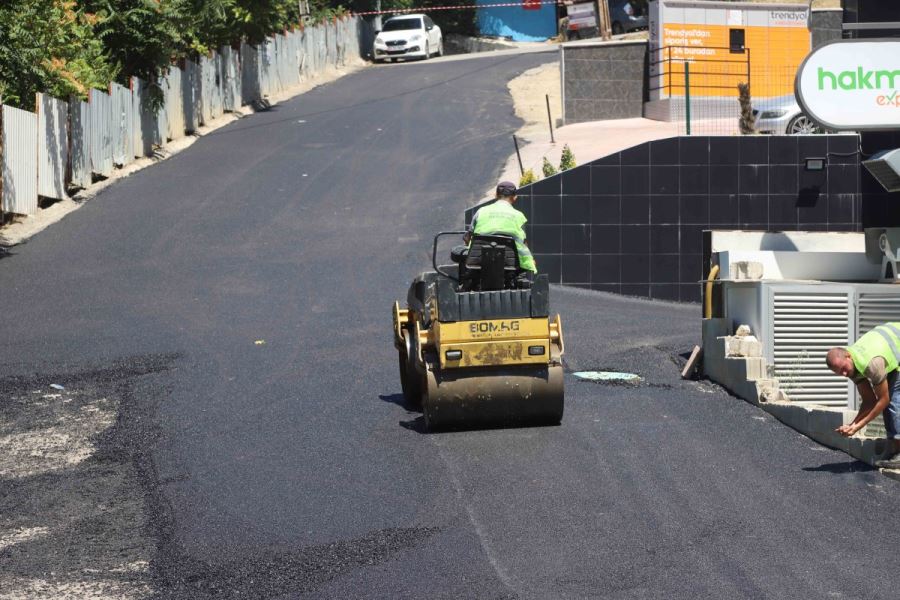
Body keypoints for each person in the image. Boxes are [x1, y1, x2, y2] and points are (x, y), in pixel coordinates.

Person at [826, 322, 900, 467]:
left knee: (893, 401)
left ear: (848, 356)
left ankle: (898, 450)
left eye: (843, 369)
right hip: (889, 349)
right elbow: (869, 401)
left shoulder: (872, 364)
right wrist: (851, 425)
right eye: (839, 373)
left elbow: (883, 400)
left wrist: (858, 427)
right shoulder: (851, 366)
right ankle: (893, 448)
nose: (844, 374)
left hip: (895, 345)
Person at [465, 181, 537, 275]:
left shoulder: (481, 211)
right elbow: (523, 243)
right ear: (514, 197)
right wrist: (530, 260)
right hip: (510, 263)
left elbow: (468, 238)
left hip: (477, 260)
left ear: (496, 195)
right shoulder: (519, 216)